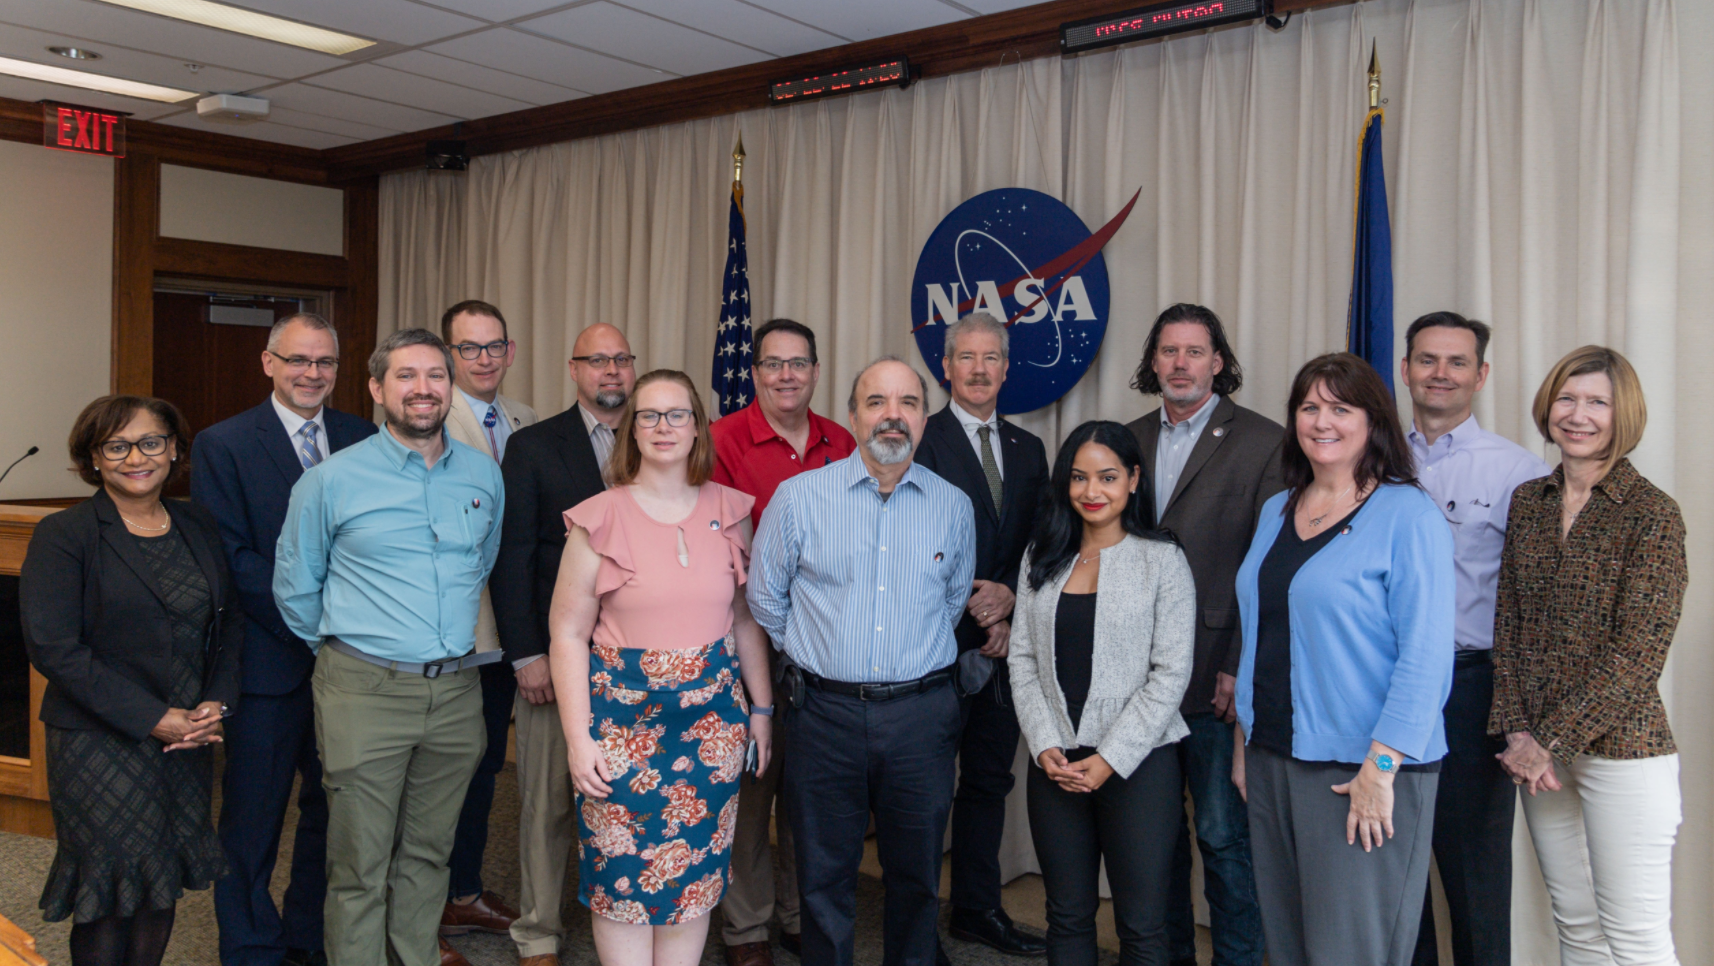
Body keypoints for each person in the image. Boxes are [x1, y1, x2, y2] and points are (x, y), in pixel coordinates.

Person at [274, 328, 505, 966]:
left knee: (432, 851)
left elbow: (481, 564)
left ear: (450, 385)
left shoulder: (484, 474)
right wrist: (354, 658)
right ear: (377, 389)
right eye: (406, 376)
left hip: (458, 691)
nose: (423, 389)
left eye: (435, 375)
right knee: (360, 862)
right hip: (364, 690)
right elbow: (297, 590)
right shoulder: (331, 481)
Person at [749, 356, 976, 966]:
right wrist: (818, 653)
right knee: (823, 878)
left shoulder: (953, 507)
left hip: (921, 719)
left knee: (918, 877)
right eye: (877, 402)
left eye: (908, 403)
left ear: (925, 419)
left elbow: (952, 602)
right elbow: (765, 599)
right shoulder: (798, 499)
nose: (892, 416)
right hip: (823, 716)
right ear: (852, 416)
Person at [546, 369, 775, 966]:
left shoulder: (732, 510)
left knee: (693, 888)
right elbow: (567, 634)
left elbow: (746, 620)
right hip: (620, 735)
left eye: (677, 414)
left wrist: (763, 709)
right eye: (649, 415)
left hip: (711, 734)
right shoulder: (599, 517)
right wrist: (578, 740)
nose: (663, 426)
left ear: (698, 427)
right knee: (621, 888)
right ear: (632, 429)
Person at [1232, 353, 1455, 966]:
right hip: (1275, 754)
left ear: (1372, 421)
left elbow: (1427, 656)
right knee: (1289, 945)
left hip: (1363, 768)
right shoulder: (1278, 509)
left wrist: (1380, 769)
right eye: (1309, 407)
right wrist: (1244, 742)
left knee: (1351, 951)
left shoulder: (1408, 515)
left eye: (1339, 408)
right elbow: (1261, 633)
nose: (1321, 421)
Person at [21, 395, 242, 966]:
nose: (135, 457)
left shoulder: (196, 522)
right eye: (116, 446)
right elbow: (54, 648)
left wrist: (216, 702)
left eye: (150, 442)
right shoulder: (65, 533)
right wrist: (154, 719)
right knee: (111, 889)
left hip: (185, 740)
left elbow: (228, 624)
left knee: (158, 880)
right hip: (100, 742)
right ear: (93, 458)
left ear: (173, 449)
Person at [1490, 346, 1687, 966]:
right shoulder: (1529, 501)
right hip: (1536, 754)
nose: (1578, 414)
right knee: (1576, 930)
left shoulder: (1653, 515)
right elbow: (1511, 626)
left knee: (1635, 942)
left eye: (1597, 402)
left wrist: (1547, 739)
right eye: (1567, 398)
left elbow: (1639, 653)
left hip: (1623, 753)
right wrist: (1520, 731)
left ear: (1620, 414)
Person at [193, 312, 378, 966]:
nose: (312, 374)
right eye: (298, 360)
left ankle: (308, 937)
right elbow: (233, 558)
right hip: (269, 663)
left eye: (325, 362)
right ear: (268, 363)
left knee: (332, 815)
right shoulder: (224, 443)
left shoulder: (362, 436)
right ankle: (249, 948)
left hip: (353, 667)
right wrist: (314, 621)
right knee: (252, 822)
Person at [1123, 304, 1279, 966]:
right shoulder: (1124, 439)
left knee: (1222, 834)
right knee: (1155, 841)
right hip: (1135, 673)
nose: (1180, 363)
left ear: (1219, 362)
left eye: (1195, 351)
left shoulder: (1264, 440)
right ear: (1153, 362)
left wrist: (1239, 666)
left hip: (1217, 671)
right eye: (1169, 351)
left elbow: (1269, 564)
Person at [1008, 420, 1194, 966]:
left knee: (1142, 925)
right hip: (1056, 763)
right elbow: (1022, 659)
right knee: (1065, 916)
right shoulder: (1041, 556)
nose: (1093, 492)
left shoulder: (1163, 560)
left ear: (1133, 479)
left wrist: (1110, 758)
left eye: (1108, 477)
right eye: (1079, 478)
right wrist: (1044, 743)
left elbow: (1170, 674)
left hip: (1140, 765)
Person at [1397, 313, 1548, 966]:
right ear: (1404, 369)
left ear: (1481, 375)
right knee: (1395, 869)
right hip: (1387, 684)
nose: (1440, 374)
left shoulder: (1520, 472)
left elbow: (1537, 603)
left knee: (1474, 874)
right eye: (1427, 359)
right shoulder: (1371, 457)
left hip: (1472, 686)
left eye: (1456, 362)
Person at [710, 318, 855, 966]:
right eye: (773, 364)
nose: (786, 375)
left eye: (798, 363)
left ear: (817, 371)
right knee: (753, 783)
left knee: (811, 785)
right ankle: (746, 927)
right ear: (756, 372)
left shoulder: (843, 441)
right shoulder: (722, 439)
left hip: (826, 639)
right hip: (751, 633)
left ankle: (799, 912)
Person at [491, 322, 637, 966]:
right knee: (550, 802)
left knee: (633, 799)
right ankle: (540, 932)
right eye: (597, 361)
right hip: (558, 656)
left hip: (639, 660)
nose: (611, 371)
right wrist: (526, 654)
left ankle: (634, 913)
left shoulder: (661, 435)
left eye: (621, 360)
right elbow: (514, 554)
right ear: (573, 370)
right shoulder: (533, 446)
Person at [913, 312, 1048, 958]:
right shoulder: (920, 439)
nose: (978, 369)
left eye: (991, 357)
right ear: (946, 367)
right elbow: (910, 547)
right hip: (938, 649)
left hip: (1004, 651)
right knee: (928, 788)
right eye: (966, 357)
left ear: (1005, 366)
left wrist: (1011, 606)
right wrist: (979, 609)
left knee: (989, 782)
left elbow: (1042, 546)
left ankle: (976, 909)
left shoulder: (1031, 450)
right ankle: (915, 926)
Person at [437, 300, 539, 941]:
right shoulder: (424, 416)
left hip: (509, 630)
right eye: (469, 347)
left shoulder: (526, 420)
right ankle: (424, 911)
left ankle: (462, 891)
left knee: (482, 766)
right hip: (451, 630)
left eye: (493, 346)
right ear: (449, 355)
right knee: (440, 772)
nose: (483, 359)